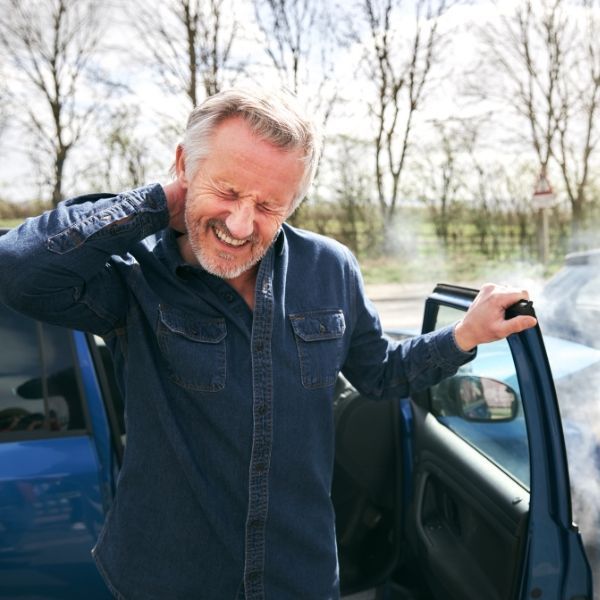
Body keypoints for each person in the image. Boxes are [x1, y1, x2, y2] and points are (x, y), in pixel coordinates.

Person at [0, 87, 536, 599]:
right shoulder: (135, 273)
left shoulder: (330, 268)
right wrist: (160, 202)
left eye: (268, 205)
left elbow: (380, 374)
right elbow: (20, 269)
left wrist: (466, 334)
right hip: (169, 582)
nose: (240, 223)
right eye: (228, 191)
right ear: (184, 165)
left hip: (297, 578)